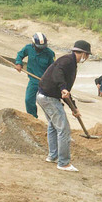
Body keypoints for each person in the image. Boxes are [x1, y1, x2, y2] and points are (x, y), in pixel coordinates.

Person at [37, 40, 92, 172]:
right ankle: (63, 163)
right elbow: (58, 73)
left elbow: (66, 91)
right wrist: (62, 87)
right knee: (64, 129)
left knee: (53, 126)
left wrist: (74, 107)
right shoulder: (67, 61)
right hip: (49, 98)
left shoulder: (70, 62)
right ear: (83, 54)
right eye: (87, 55)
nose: (86, 58)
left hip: (43, 96)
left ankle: (53, 156)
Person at [14, 32, 55, 117]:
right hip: (33, 80)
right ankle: (33, 118)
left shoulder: (50, 53)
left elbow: (53, 69)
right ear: (33, 44)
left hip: (45, 82)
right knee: (28, 100)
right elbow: (20, 55)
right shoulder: (28, 48)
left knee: (48, 103)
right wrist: (18, 63)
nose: (40, 49)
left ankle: (53, 121)